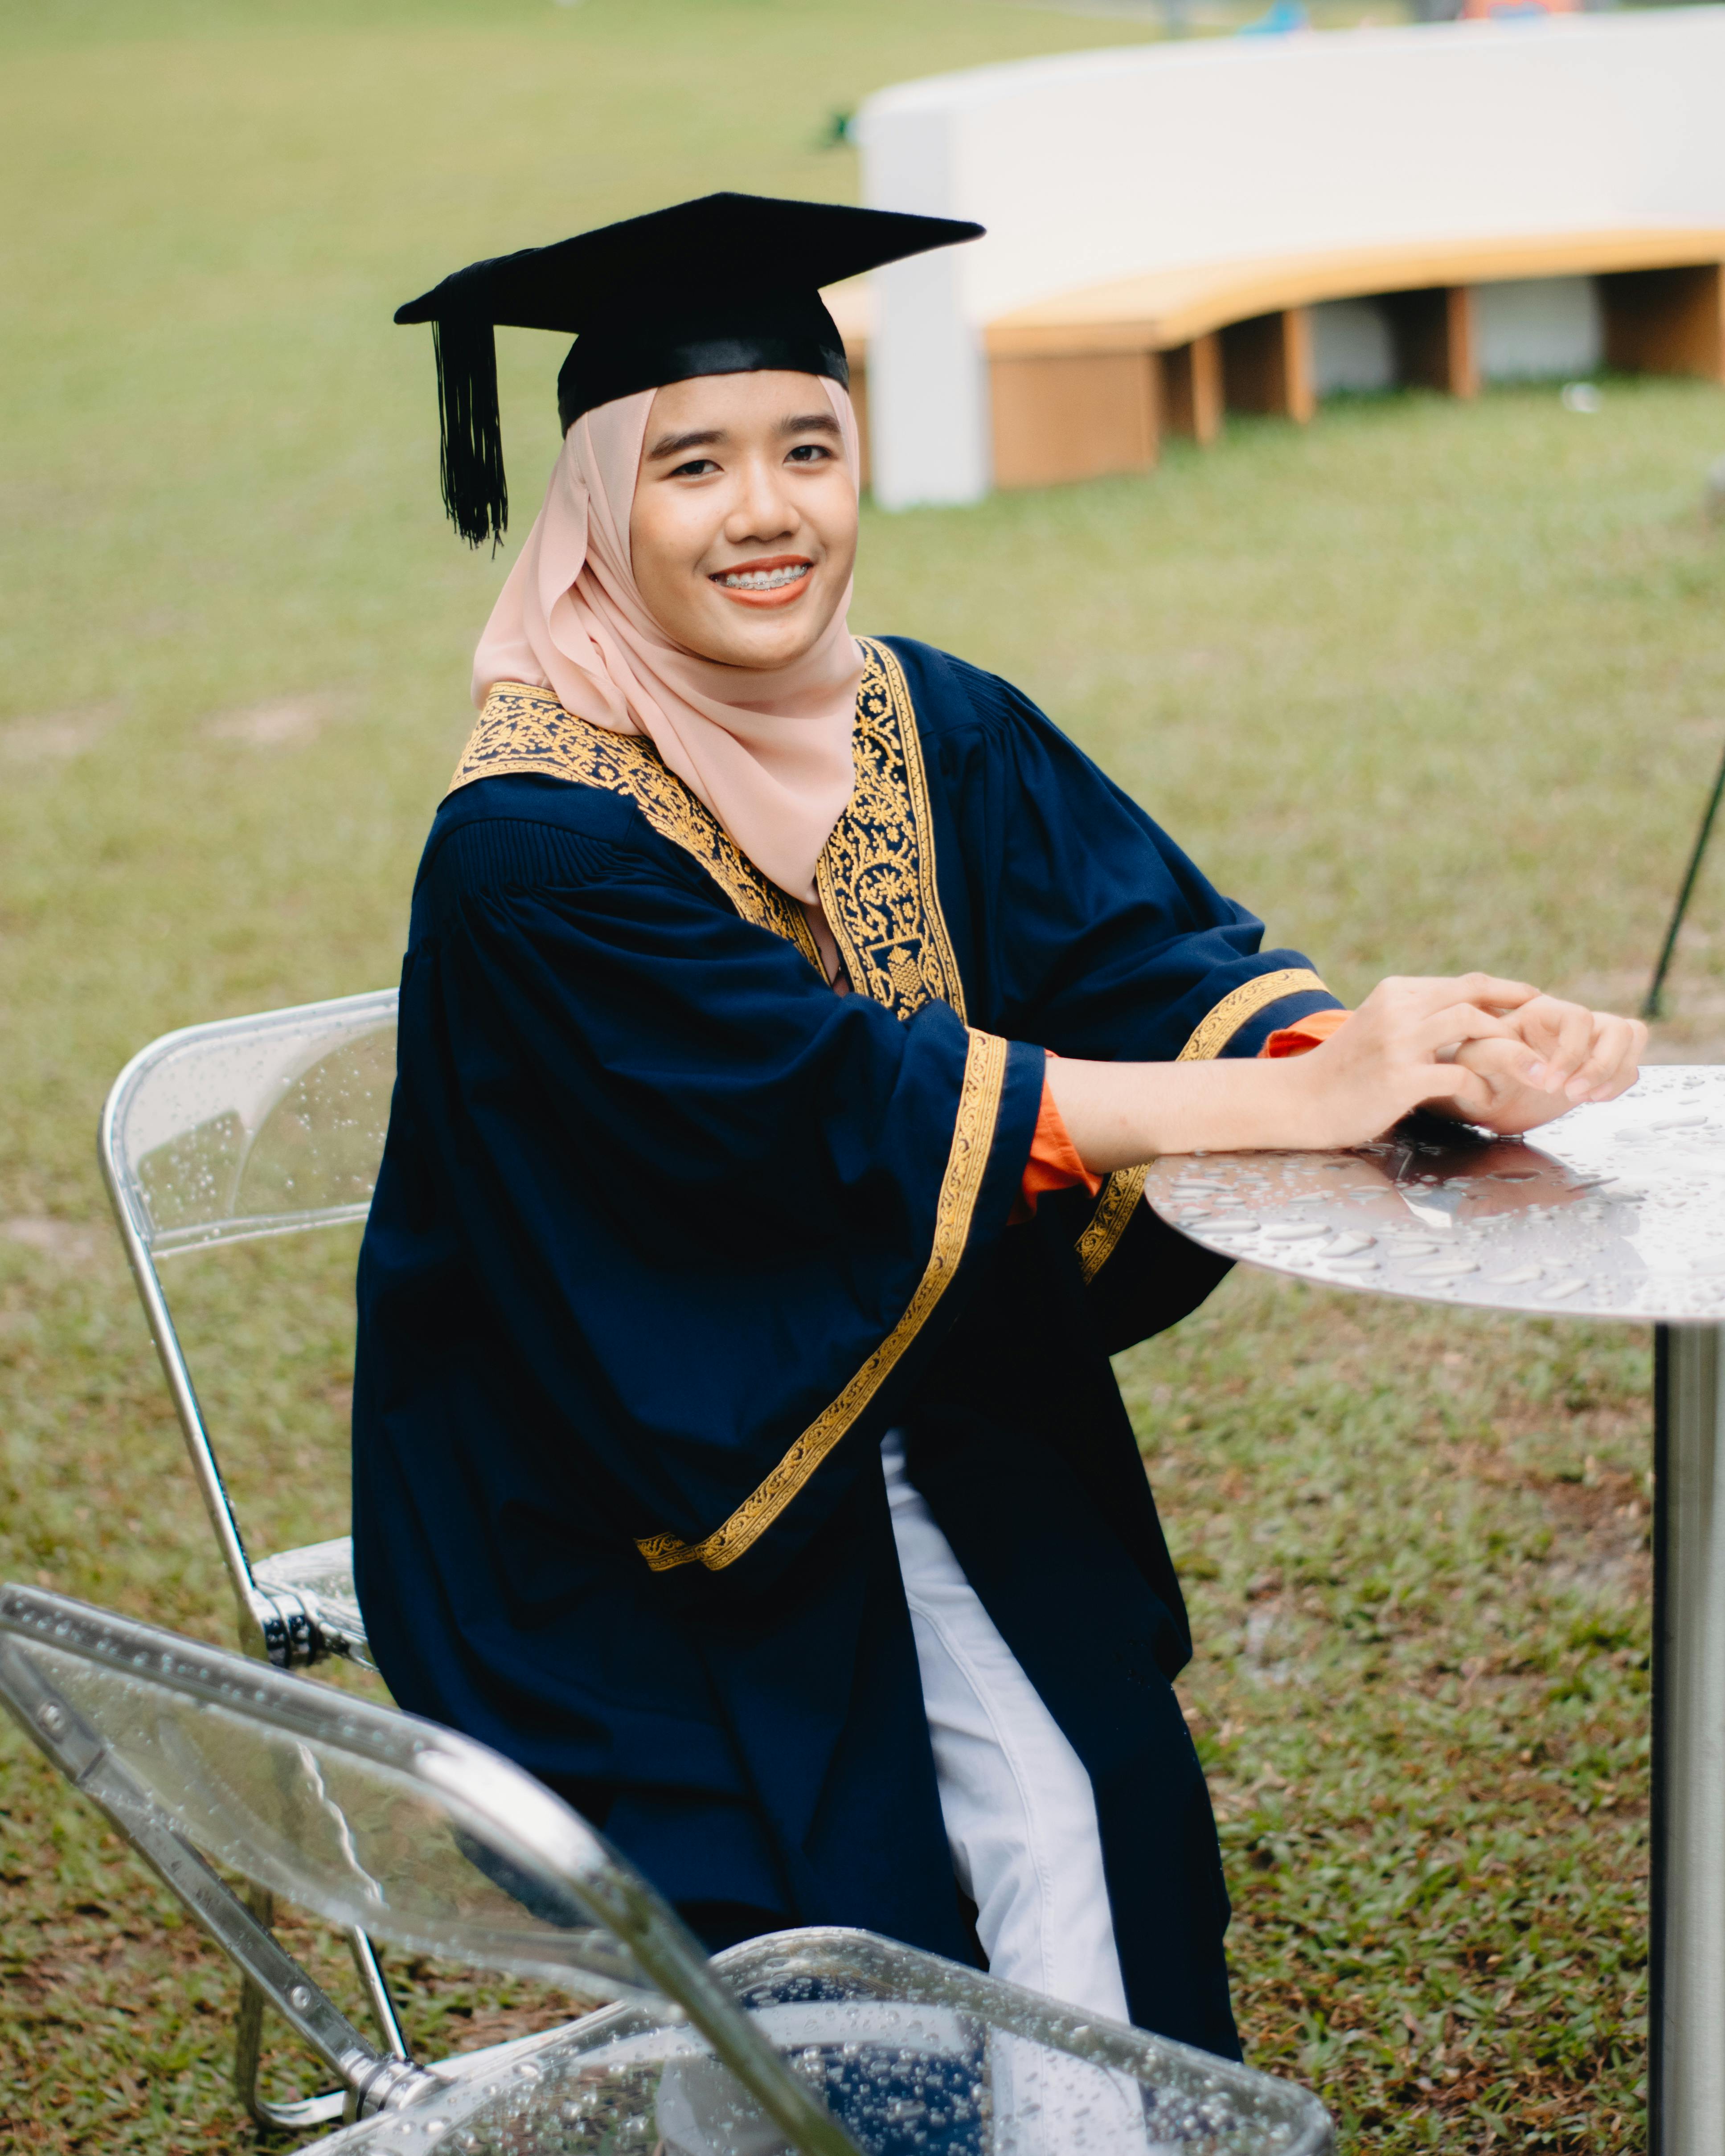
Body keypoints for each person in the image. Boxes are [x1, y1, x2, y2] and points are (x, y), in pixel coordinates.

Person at [352, 193, 1644, 2069]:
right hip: (635, 1480)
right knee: (920, 1879)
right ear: (590, 508)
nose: (766, 510)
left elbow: (1138, 955)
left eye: (809, 444)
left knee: (1099, 1799)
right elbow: (845, 1112)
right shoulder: (530, 849)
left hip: (917, 1391)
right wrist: (1302, 1091)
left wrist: (1395, 1053)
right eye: (690, 465)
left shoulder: (922, 721)